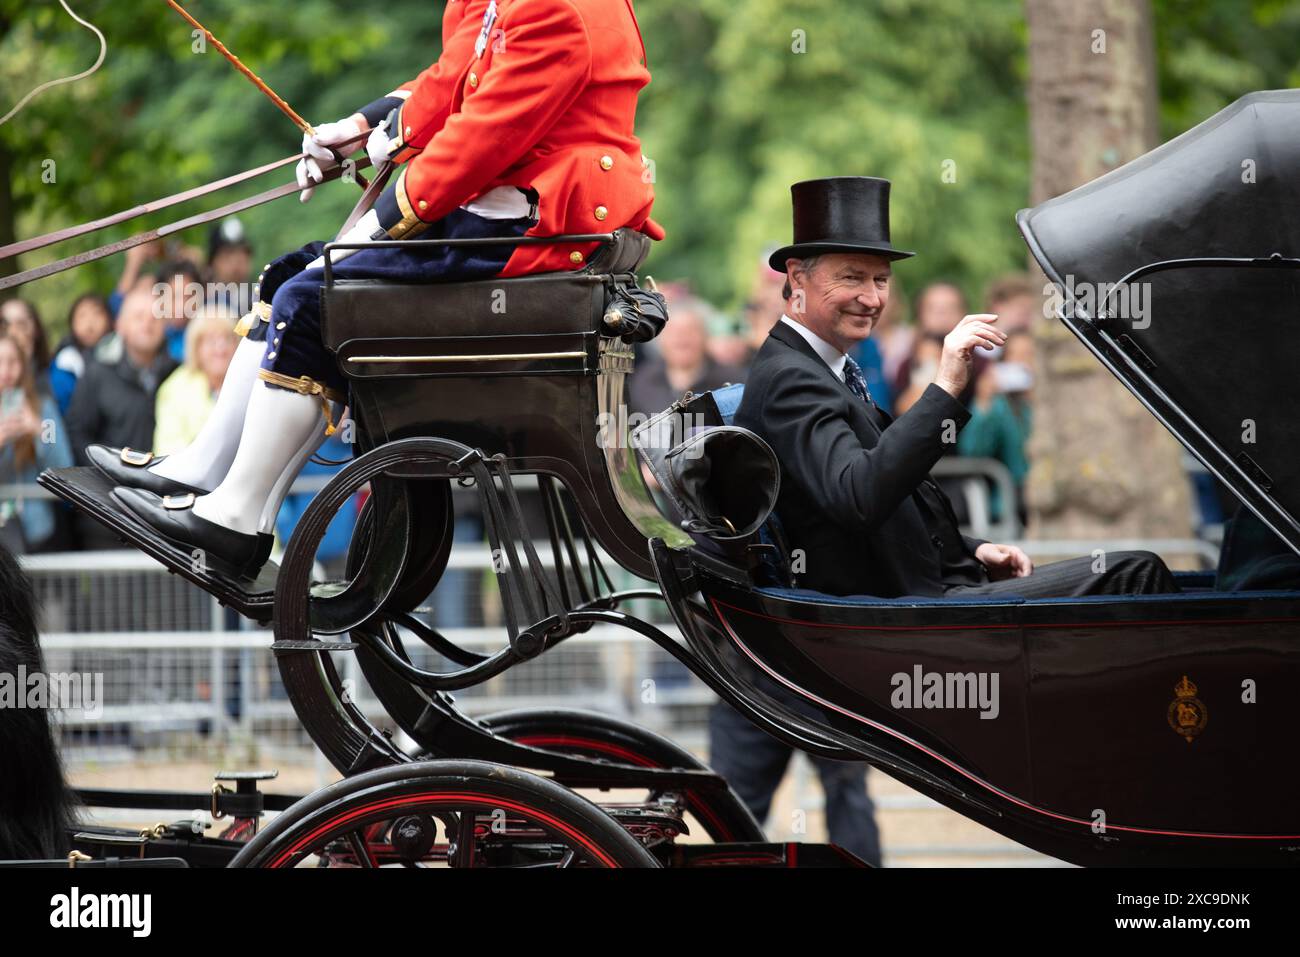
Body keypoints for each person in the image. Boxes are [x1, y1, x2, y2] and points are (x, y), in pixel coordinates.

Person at [85, 0, 663, 573]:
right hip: (510, 215)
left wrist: (382, 220)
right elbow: (456, 77)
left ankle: (237, 515)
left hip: (528, 225)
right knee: (294, 276)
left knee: (311, 300)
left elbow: (481, 138)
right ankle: (207, 468)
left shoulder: (552, 7)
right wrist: (360, 130)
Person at [736, 176, 1179, 599]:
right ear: (796, 278)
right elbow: (858, 497)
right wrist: (945, 386)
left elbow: (877, 502)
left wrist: (968, 548)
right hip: (904, 613)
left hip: (930, 590)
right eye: (852, 277)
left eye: (881, 280)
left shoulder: (819, 366)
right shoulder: (791, 376)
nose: (872, 299)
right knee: (1136, 574)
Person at [65, 288, 177, 549]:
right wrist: (104, 482)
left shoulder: (179, 375)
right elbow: (77, 434)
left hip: (168, 514)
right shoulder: (96, 375)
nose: (148, 323)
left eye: (155, 317)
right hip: (108, 515)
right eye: (138, 316)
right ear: (120, 325)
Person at [0, 333, 73, 553]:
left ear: (23, 365)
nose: (5, 371)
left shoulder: (43, 408)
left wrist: (39, 431)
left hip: (37, 530)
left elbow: (64, 466)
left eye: (12, 362)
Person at [153, 311, 238, 454]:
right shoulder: (174, 389)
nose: (220, 348)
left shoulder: (249, 384)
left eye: (228, 339)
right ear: (196, 347)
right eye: (211, 340)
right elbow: (168, 450)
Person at [48, 293, 113, 416]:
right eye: (82, 316)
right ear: (72, 324)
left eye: (97, 313)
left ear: (109, 319)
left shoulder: (122, 355)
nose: (90, 323)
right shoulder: (65, 363)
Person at [0, 298, 53, 397]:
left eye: (21, 324)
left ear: (36, 328)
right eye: (4, 325)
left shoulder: (54, 376)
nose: (13, 332)